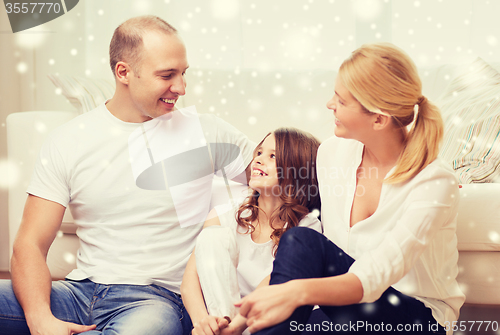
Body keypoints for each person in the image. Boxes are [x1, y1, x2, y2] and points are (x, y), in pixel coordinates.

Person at [0, 16, 254, 335]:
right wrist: (41, 321)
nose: (181, 87)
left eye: (183, 73)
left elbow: (285, 179)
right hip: (78, 294)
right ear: (124, 72)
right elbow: (30, 244)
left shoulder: (208, 133)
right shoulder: (68, 139)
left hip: (155, 301)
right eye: (167, 75)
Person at [236, 43, 465, 335]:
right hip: (343, 310)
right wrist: (242, 320)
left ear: (378, 119)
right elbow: (306, 249)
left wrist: (298, 292)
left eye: (342, 101)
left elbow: (377, 273)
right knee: (300, 240)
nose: (330, 104)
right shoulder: (333, 153)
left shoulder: (434, 182)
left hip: (416, 320)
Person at [181, 127, 323, 335]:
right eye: (259, 152)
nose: (258, 160)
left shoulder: (307, 226)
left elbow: (275, 281)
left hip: (271, 321)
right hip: (226, 318)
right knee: (213, 236)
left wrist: (240, 325)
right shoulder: (225, 214)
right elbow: (190, 279)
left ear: (298, 170)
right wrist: (203, 323)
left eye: (272, 156)